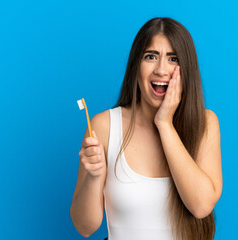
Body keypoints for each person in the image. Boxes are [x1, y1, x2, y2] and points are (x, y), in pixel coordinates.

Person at [70, 17, 222, 240]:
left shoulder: (206, 123)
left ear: (186, 69)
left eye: (173, 59)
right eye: (151, 57)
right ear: (136, 65)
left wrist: (165, 124)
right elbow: (85, 227)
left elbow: (201, 206)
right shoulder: (104, 126)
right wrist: (94, 178)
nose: (161, 70)